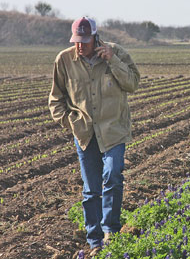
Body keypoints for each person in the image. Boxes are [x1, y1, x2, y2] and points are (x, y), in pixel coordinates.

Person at [48, 17, 140, 255]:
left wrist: (113, 60)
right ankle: (95, 240)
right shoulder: (64, 60)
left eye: (85, 41)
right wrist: (71, 122)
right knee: (91, 189)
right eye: (77, 41)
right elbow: (55, 100)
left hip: (113, 130)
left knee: (113, 175)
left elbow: (132, 84)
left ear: (96, 38)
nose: (80, 46)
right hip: (85, 133)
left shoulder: (116, 53)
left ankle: (110, 230)